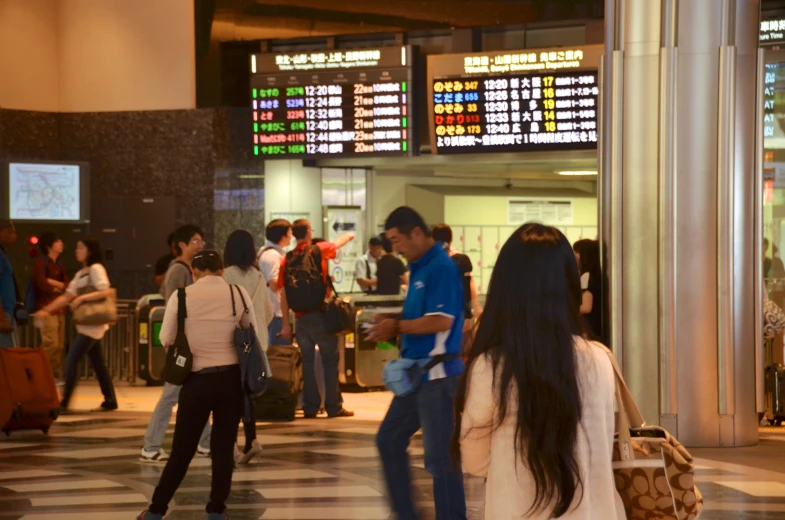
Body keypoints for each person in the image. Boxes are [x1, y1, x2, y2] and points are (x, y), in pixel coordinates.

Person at [453, 223, 623, 519]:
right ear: (569, 286)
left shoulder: (492, 366)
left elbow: (475, 462)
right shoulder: (600, 359)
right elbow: (604, 440)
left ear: (505, 289)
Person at [137, 250, 256, 520]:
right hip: (230, 382)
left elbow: (166, 338)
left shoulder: (181, 297)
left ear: (194, 271)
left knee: (182, 450)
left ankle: (156, 511)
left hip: (196, 381)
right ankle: (216, 510)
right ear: (221, 269)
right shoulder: (237, 293)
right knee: (224, 449)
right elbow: (251, 332)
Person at [368, 207, 467, 520]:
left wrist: (396, 327)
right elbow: (418, 317)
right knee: (389, 439)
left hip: (438, 376)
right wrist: (394, 320)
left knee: (440, 460)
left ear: (417, 233)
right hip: (416, 376)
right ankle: (406, 513)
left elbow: (441, 321)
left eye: (398, 240)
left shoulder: (440, 267)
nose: (395, 248)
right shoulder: (417, 268)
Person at [141, 224, 211, 463]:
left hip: (188, 342)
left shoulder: (188, 270)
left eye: (202, 241)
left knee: (196, 394)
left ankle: (206, 442)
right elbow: (175, 306)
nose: (200, 245)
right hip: (183, 345)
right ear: (182, 245)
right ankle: (150, 446)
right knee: (171, 396)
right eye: (196, 241)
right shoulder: (178, 270)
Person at [279, 218, 355, 419]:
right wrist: (349, 234)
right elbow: (338, 243)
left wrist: (287, 323)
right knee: (330, 361)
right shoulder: (317, 250)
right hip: (320, 315)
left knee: (307, 363)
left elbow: (283, 292)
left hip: (300, 319)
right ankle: (333, 406)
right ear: (308, 233)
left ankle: (310, 407)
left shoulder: (287, 259)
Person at [35, 237, 118, 414]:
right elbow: (66, 296)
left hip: (93, 325)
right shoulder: (81, 274)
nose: (77, 250)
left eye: (81, 247)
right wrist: (47, 310)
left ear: (90, 251)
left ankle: (65, 403)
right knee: (98, 364)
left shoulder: (96, 269)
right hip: (87, 325)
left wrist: (81, 298)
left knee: (71, 360)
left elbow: (106, 290)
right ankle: (110, 400)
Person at [223, 229, 273, 464]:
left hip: (233, 343)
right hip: (256, 344)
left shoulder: (225, 276)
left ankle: (235, 444)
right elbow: (269, 313)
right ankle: (249, 440)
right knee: (245, 392)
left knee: (233, 393)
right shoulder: (259, 277)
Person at [432, 224, 482, 349]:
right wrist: (472, 310)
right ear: (451, 238)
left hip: (438, 313)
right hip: (457, 312)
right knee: (459, 351)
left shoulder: (431, 260)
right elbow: (467, 287)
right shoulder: (461, 259)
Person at [32, 232, 70, 380]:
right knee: (50, 344)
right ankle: (41, 375)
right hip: (46, 309)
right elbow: (42, 284)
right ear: (49, 245)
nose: (61, 243)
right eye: (58, 241)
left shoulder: (60, 264)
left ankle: (52, 376)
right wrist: (56, 286)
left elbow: (67, 286)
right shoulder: (41, 263)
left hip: (60, 309)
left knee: (59, 346)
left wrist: (53, 282)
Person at [258, 219, 292, 346]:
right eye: (289, 233)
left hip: (271, 310)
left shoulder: (264, 251)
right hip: (275, 310)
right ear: (283, 236)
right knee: (278, 354)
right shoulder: (273, 256)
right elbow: (274, 284)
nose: (291, 236)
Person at [573, 239, 604, 342]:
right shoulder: (596, 275)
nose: (574, 255)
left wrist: (567, 312)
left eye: (577, 252)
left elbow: (586, 307)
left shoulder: (586, 276)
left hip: (589, 329)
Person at [0, 220, 19, 347]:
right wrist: (2, 318)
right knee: (7, 356)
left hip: (7, 312)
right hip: (3, 314)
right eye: (11, 232)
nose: (15, 236)